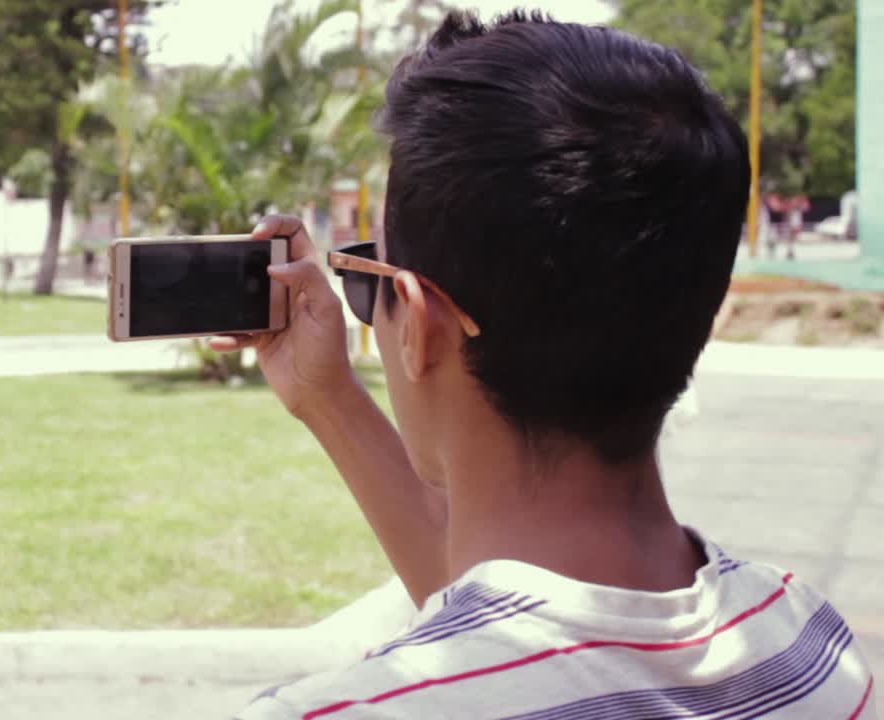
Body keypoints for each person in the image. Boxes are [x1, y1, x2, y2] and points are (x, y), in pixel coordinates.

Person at [221, 11, 876, 719]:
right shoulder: (813, 647)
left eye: (365, 276)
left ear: (415, 319)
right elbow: (521, 629)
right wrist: (328, 398)